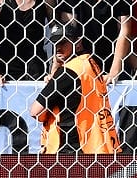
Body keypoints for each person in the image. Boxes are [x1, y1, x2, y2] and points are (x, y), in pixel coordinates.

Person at [29, 20, 121, 154]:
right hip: (95, 145)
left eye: (63, 43)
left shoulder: (67, 72)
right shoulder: (89, 64)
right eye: (55, 43)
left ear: (77, 43)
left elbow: (35, 112)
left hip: (70, 147)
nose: (58, 48)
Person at [57, 0, 134, 84]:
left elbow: (125, 30)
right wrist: (57, 68)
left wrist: (114, 71)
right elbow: (67, 30)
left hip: (114, 57)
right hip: (81, 60)